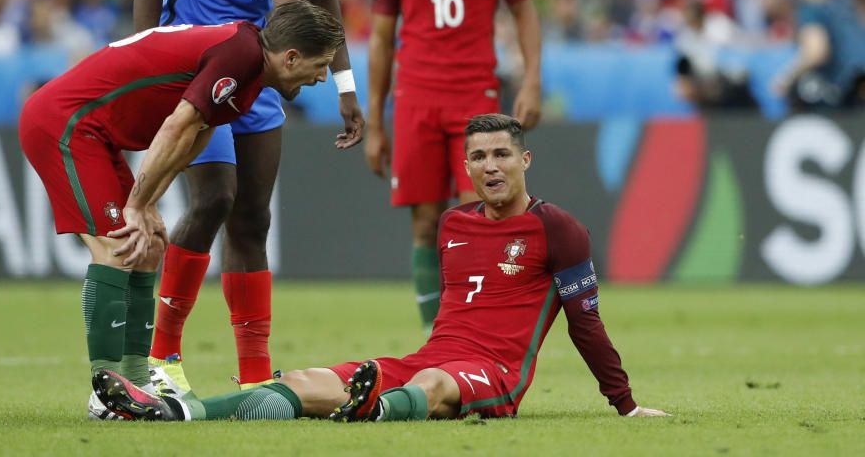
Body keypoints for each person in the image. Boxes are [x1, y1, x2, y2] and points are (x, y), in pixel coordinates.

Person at [91, 114, 668, 422]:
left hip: (492, 374)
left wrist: (624, 403)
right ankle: (172, 412)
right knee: (297, 381)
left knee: (432, 386)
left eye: (501, 155)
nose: (491, 167)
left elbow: (585, 323)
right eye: (479, 157)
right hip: (428, 356)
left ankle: (371, 409)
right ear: (465, 165)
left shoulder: (559, 229)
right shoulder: (453, 224)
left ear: (525, 160)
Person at [17, 1, 345, 420]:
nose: (321, 78)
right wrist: (135, 205)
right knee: (118, 246)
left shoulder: (249, 72)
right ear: (291, 56)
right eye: (320, 66)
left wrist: (149, 203)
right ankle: (104, 391)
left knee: (150, 245)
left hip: (96, 134)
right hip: (65, 123)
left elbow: (197, 135)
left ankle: (135, 381)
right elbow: (176, 126)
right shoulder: (238, 56)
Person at [132, 0, 365, 394]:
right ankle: (161, 359)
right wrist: (146, 61)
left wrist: (343, 83)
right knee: (213, 199)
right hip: (194, 64)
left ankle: (255, 375)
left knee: (252, 219)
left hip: (259, 64)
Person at [365, 0, 543, 330]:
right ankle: (433, 334)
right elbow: (381, 41)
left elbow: (525, 10)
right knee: (425, 223)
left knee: (480, 214)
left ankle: (478, 326)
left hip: (474, 97)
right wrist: (375, 123)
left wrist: (531, 79)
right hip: (417, 99)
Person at [772, 0, 865, 110]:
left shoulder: (811, 10)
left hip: (847, 90)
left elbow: (816, 51)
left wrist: (785, 79)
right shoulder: (846, 7)